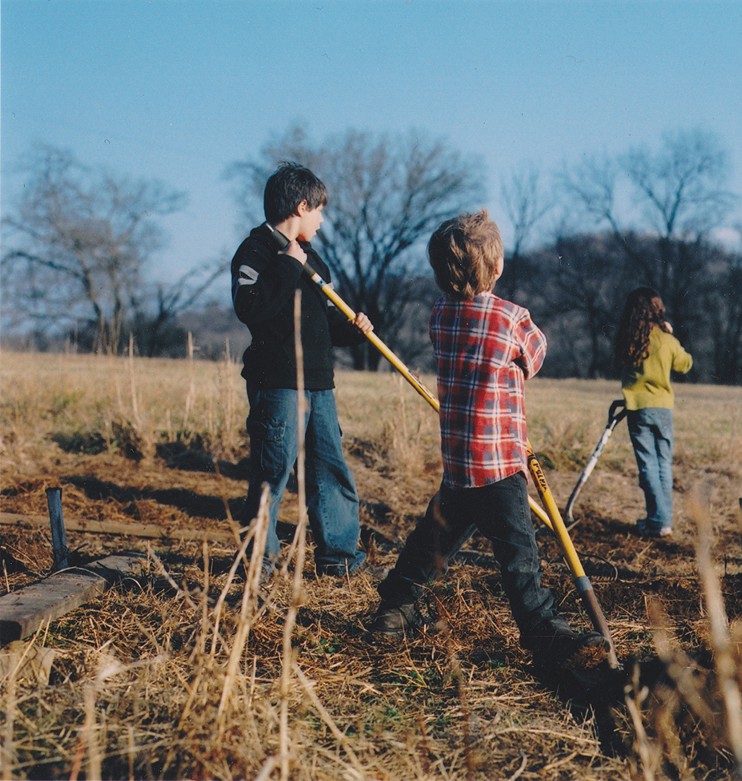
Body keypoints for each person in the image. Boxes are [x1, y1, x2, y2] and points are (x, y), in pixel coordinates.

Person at [372, 210, 604, 665]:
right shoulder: (512, 317)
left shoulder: (439, 315)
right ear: (497, 268)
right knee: (519, 556)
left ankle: (395, 609)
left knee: (433, 542)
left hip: (459, 465)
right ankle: (542, 633)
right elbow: (535, 357)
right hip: (500, 466)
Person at [231, 161, 373, 577]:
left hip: (318, 386)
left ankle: (340, 560)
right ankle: (260, 565)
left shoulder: (314, 261)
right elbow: (252, 308)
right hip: (277, 386)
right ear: (301, 205)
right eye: (320, 210)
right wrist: (287, 266)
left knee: (330, 470)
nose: (323, 219)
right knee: (272, 472)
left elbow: (318, 324)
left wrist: (353, 331)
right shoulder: (256, 251)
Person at [614, 287, 693, 538]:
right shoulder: (666, 340)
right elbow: (685, 364)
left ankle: (657, 520)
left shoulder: (630, 339)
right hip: (663, 408)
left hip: (638, 408)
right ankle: (663, 520)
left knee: (648, 465)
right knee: (663, 464)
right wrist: (671, 336)